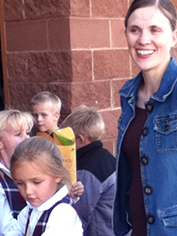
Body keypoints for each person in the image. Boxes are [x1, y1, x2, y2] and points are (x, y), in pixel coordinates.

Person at [113, 0, 177, 236]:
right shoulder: (129, 95)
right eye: (134, 30)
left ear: (173, 37)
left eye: (155, 30)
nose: (143, 39)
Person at [6, 136, 84, 236]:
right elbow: (15, 231)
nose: (28, 191)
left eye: (36, 182)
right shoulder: (30, 210)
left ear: (57, 175)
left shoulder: (63, 214)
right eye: (20, 183)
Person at [60, 105, 116, 236]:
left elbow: (78, 215)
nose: (62, 145)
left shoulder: (87, 170)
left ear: (80, 139)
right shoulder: (106, 157)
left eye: (66, 140)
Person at [0, 109, 34, 236]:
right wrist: (36, 207)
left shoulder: (32, 172)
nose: (27, 138)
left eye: (27, 133)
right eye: (18, 134)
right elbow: (8, 230)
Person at [31, 91, 84, 197]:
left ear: (56, 116)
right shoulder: (32, 140)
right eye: (35, 115)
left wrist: (77, 187)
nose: (39, 119)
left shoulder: (67, 139)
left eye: (43, 115)